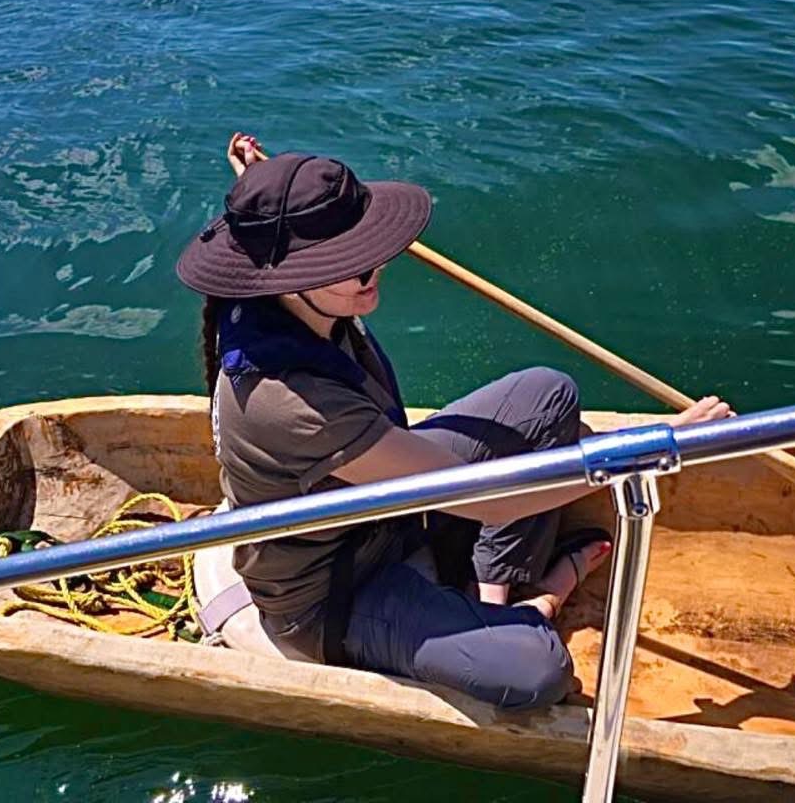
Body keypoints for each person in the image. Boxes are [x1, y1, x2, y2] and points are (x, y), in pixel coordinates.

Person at [176, 133, 732, 709]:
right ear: (282, 278)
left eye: (363, 248)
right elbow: (491, 501)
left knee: (548, 396)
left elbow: (264, 230)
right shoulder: (292, 405)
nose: (370, 270)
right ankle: (538, 600)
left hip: (378, 514)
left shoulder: (289, 301)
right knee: (537, 671)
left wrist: (254, 179)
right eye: (343, 262)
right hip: (333, 588)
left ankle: (491, 588)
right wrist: (658, 449)